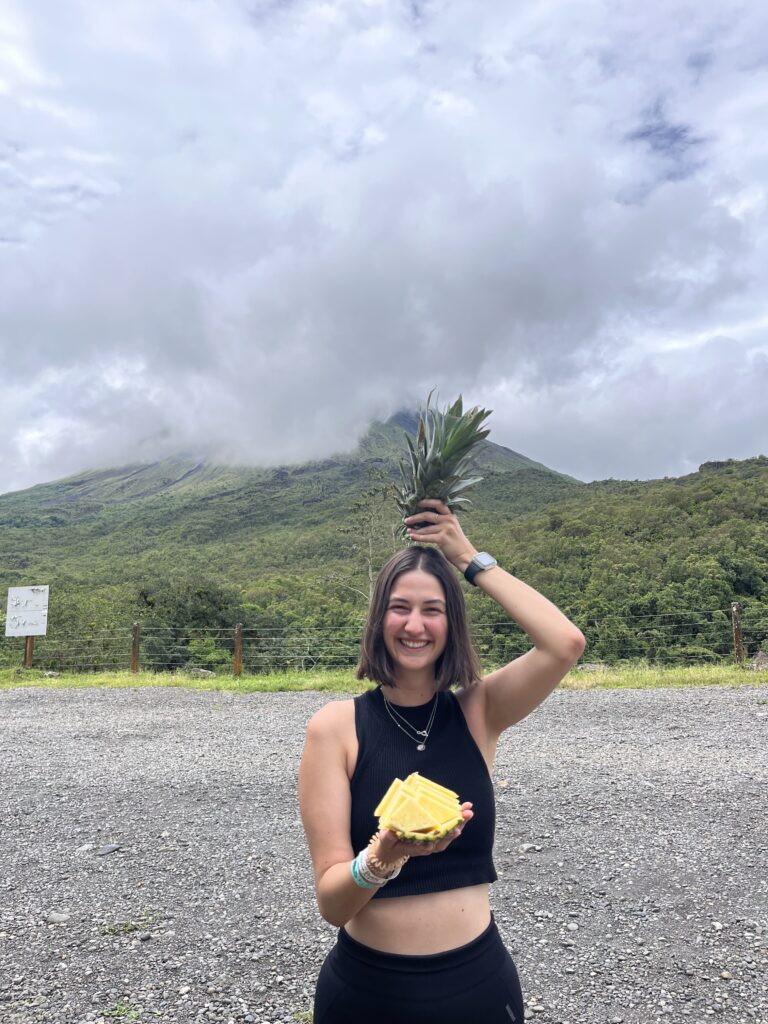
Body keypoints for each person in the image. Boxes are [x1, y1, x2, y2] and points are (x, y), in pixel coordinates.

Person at [299, 499, 586, 1023]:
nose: (415, 624)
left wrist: (468, 559)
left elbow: (564, 643)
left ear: (452, 623)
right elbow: (332, 906)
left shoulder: (479, 710)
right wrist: (381, 857)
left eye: (432, 609)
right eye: (400, 607)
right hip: (369, 992)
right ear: (378, 618)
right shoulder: (335, 728)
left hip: (477, 984)